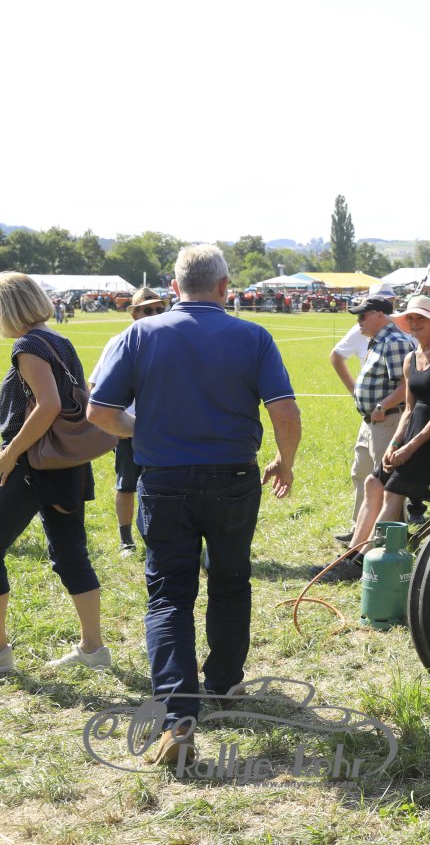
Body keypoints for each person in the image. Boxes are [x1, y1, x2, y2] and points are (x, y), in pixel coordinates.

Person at [87, 245, 300, 768]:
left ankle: (178, 718)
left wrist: (139, 428)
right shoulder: (253, 335)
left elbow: (99, 411)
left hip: (164, 480)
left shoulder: (139, 334)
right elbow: (285, 412)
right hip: (233, 478)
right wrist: (285, 461)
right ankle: (224, 683)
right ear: (225, 287)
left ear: (174, 287)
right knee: (231, 580)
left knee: (168, 597)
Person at [0, 271, 111, 676]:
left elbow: (48, 406)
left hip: (32, 464)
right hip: (66, 464)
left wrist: (10, 454)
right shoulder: (58, 339)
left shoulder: (28, 345)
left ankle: (1, 654)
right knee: (71, 554)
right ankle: (93, 648)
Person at [332, 295, 430, 577]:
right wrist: (394, 444)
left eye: (420, 318)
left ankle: (363, 562)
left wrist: (410, 448)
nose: (414, 323)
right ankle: (351, 554)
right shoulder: (411, 358)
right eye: (410, 318)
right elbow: (409, 409)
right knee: (372, 482)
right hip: (412, 432)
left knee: (392, 492)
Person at [331, 291, 414, 554]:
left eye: (362, 316)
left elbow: (407, 386)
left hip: (388, 420)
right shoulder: (379, 340)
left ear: (379, 315)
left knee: (386, 483)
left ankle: (385, 546)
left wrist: (382, 406)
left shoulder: (395, 342)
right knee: (363, 474)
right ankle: (361, 535)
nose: (359, 321)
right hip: (372, 422)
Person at [93, 287, 168, 556]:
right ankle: (126, 540)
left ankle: (160, 537)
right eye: (148, 310)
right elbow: (95, 386)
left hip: (166, 429)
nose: (155, 313)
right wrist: (115, 424)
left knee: (167, 485)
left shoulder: (174, 339)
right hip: (129, 430)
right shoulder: (119, 342)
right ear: (134, 314)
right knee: (126, 485)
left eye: (160, 309)